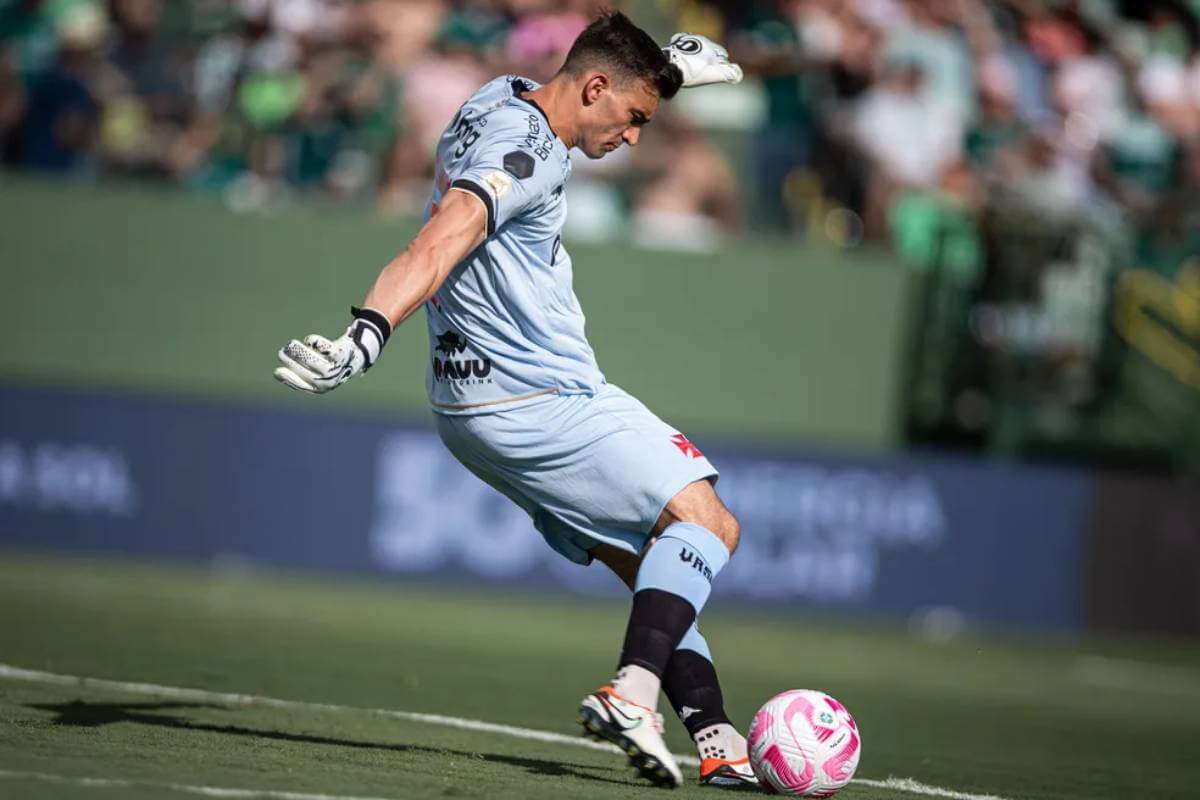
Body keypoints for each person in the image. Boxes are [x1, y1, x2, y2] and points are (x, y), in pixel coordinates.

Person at [273, 12, 748, 789]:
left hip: (468, 412)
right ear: (594, 89)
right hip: (540, 395)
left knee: (656, 565)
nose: (633, 139)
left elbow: (599, 73)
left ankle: (719, 738)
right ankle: (632, 694)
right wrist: (366, 331)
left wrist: (665, 71)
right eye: (633, 120)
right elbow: (437, 240)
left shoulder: (498, 96)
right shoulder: (522, 154)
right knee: (710, 523)